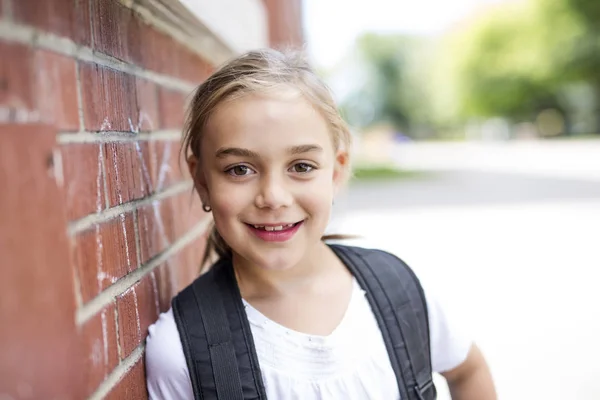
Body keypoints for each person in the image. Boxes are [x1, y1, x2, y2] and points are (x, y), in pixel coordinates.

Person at [145, 48, 497, 400]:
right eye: (240, 169)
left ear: (337, 171)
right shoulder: (181, 352)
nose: (274, 197)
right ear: (202, 180)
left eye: (301, 166)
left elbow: (469, 371)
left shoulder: (399, 292)